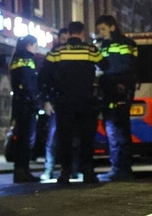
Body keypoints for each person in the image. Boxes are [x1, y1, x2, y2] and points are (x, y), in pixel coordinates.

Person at [39, 21, 106, 184]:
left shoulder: (57, 52)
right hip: (86, 101)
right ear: (82, 33)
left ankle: (65, 173)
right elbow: (106, 65)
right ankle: (88, 172)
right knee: (86, 138)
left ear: (69, 33)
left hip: (64, 101)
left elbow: (43, 76)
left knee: (65, 138)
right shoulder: (91, 50)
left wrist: (47, 98)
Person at [94, 14, 139, 181]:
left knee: (117, 129)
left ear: (113, 27)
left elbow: (125, 66)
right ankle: (120, 167)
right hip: (112, 90)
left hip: (118, 90)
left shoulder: (123, 44)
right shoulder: (106, 44)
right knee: (115, 129)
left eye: (103, 29)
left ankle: (121, 168)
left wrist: (119, 84)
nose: (101, 33)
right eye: (99, 30)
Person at [38, 27, 69, 181]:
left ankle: (71, 169)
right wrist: (47, 101)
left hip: (69, 101)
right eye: (62, 40)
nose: (64, 44)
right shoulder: (53, 55)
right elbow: (44, 79)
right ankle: (49, 169)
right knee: (53, 137)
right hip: (56, 101)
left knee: (70, 138)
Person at [9, 35, 41, 183]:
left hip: (19, 103)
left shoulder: (16, 58)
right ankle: (23, 171)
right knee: (26, 139)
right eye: (35, 45)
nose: (36, 48)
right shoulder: (26, 58)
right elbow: (28, 82)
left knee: (21, 138)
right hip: (26, 105)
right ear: (29, 45)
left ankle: (20, 170)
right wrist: (34, 100)